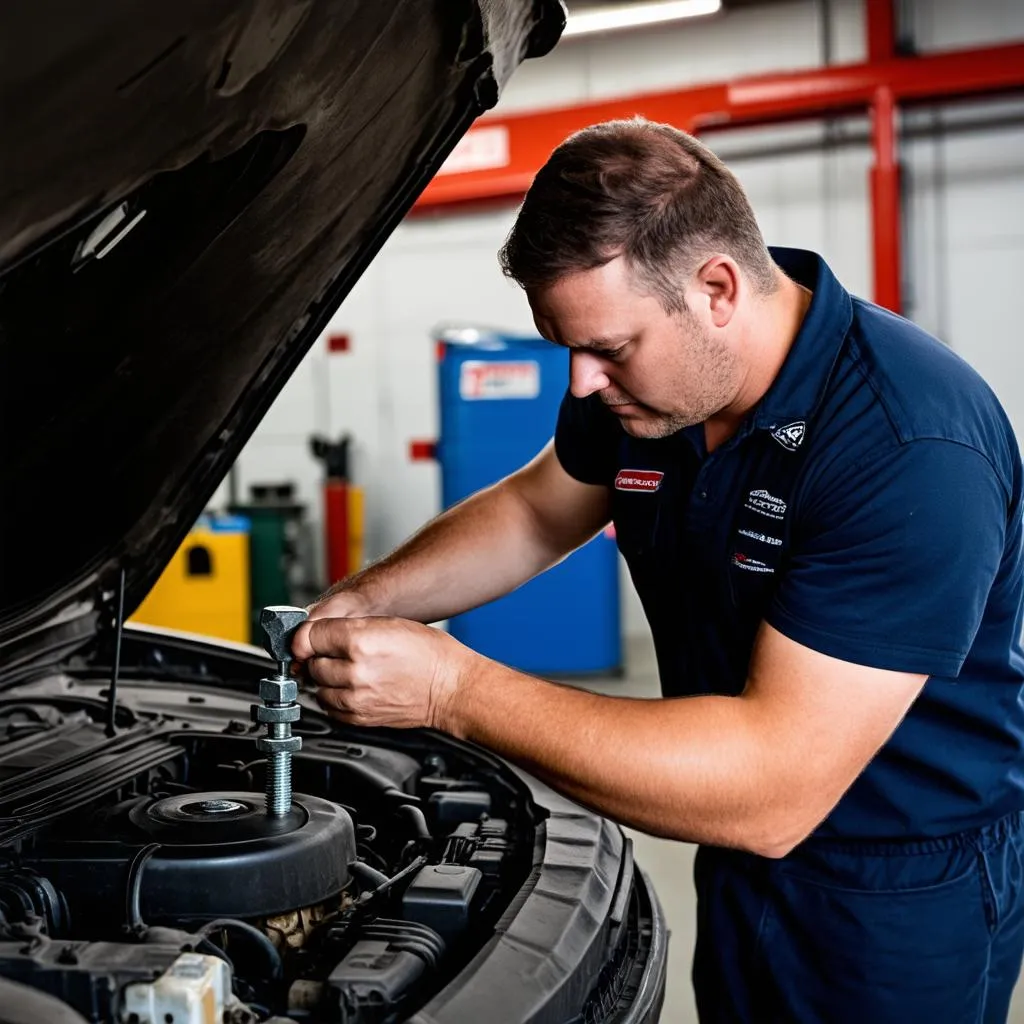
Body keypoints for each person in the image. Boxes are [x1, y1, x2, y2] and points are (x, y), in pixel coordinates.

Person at [292, 118, 1024, 1022]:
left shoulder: (909, 445)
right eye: (567, 347)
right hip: (732, 849)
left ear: (717, 289)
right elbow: (532, 511)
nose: (580, 384)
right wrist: (366, 598)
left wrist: (453, 689)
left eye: (609, 348)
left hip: (893, 889)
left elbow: (773, 786)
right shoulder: (650, 394)